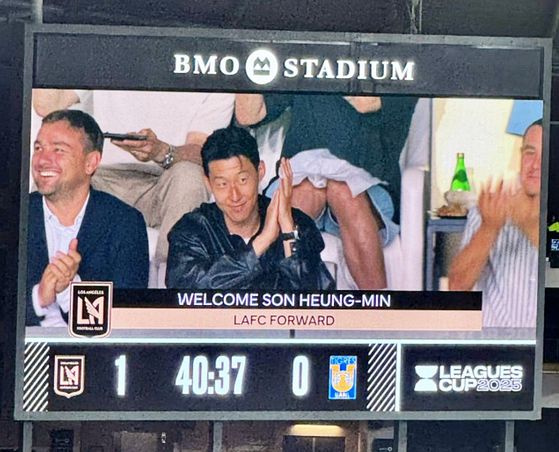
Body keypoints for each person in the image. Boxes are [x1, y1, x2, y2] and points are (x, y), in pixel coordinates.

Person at [235, 93, 417, 289]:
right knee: (301, 197)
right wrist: (249, 75)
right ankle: (280, 301)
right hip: (302, 174)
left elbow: (365, 103)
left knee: (343, 191)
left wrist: (317, 74)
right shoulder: (302, 74)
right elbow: (249, 116)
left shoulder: (400, 78)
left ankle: (377, 304)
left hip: (367, 183)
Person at [32, 89, 235, 264]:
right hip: (101, 178)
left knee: (190, 176)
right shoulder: (102, 54)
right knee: (53, 176)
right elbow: (46, 106)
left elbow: (202, 151)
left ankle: (172, 281)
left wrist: (160, 152)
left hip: (165, 181)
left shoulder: (206, 63)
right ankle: (42, 286)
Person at [165, 126, 334, 290]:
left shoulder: (297, 224)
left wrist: (288, 232)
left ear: (260, 171)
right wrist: (263, 241)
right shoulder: (192, 230)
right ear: (208, 183)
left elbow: (316, 297)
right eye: (222, 184)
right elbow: (186, 291)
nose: (235, 196)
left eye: (242, 180)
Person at [27, 109, 149, 327]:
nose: (42, 160)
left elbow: (127, 318)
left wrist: (70, 291)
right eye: (38, 148)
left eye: (58, 149)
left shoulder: (125, 223)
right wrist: (39, 297)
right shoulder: (13, 216)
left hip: (93, 347)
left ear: (91, 162)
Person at [448, 120, 542, 328]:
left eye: (547, 155)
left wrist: (528, 225)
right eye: (530, 153)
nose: (535, 165)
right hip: (497, 343)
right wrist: (489, 227)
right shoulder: (492, 205)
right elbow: (457, 286)